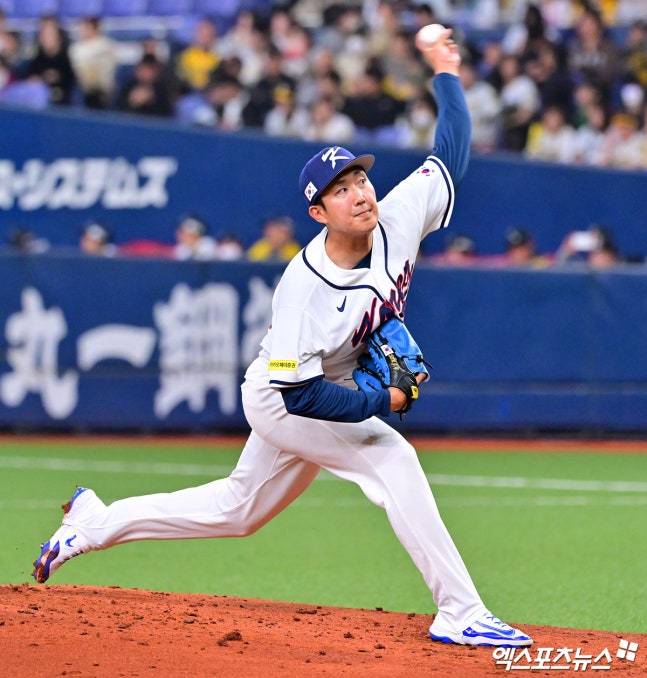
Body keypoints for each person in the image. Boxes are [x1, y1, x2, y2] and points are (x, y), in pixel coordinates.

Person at [32, 29, 532, 649]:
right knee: (391, 458)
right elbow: (302, 397)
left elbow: (450, 152)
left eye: (360, 179)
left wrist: (445, 71)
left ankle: (96, 522)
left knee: (238, 510)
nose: (360, 193)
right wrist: (384, 402)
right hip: (283, 395)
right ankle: (459, 609)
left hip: (328, 381)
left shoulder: (397, 215)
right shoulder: (303, 288)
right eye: (341, 189)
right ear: (318, 213)